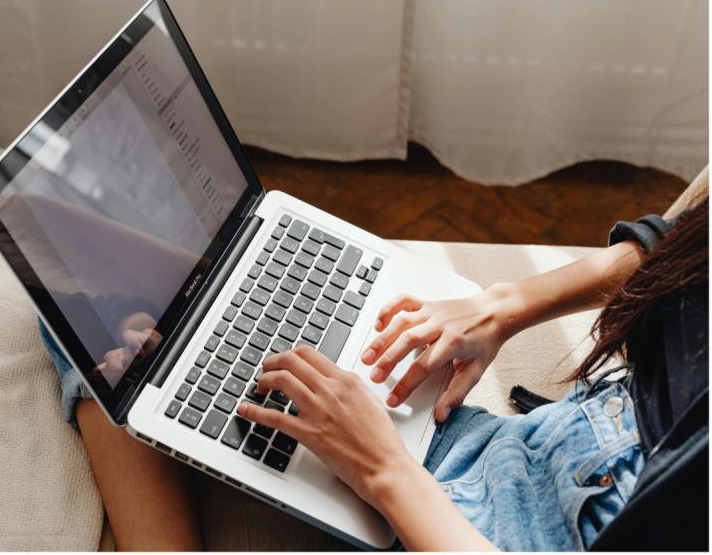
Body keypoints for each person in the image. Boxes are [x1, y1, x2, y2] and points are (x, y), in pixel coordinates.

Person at [43, 170, 708, 550]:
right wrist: (504, 307)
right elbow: (680, 247)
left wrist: (383, 469)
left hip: (478, 529)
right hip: (539, 449)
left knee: (97, 315)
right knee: (89, 258)